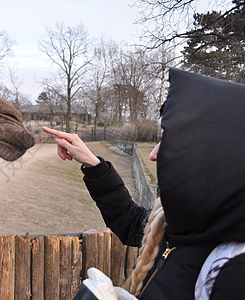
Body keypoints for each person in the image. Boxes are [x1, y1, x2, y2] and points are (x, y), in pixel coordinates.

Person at [42, 68, 245, 299]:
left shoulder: (234, 270)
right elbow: (129, 220)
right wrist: (92, 163)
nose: (153, 154)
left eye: (167, 138)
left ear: (211, 150)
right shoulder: (179, 224)